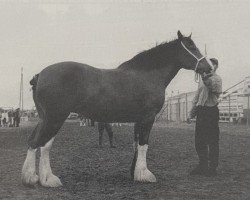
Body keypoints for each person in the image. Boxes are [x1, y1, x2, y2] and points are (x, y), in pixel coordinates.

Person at [188, 58, 222, 177]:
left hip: (211, 111)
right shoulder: (202, 80)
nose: (209, 66)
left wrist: (205, 78)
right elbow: (197, 97)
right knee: (199, 141)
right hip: (201, 112)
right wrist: (191, 113)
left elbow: (215, 89)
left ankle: (212, 168)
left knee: (212, 141)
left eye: (212, 65)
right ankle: (202, 165)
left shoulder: (217, 79)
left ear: (216, 66)